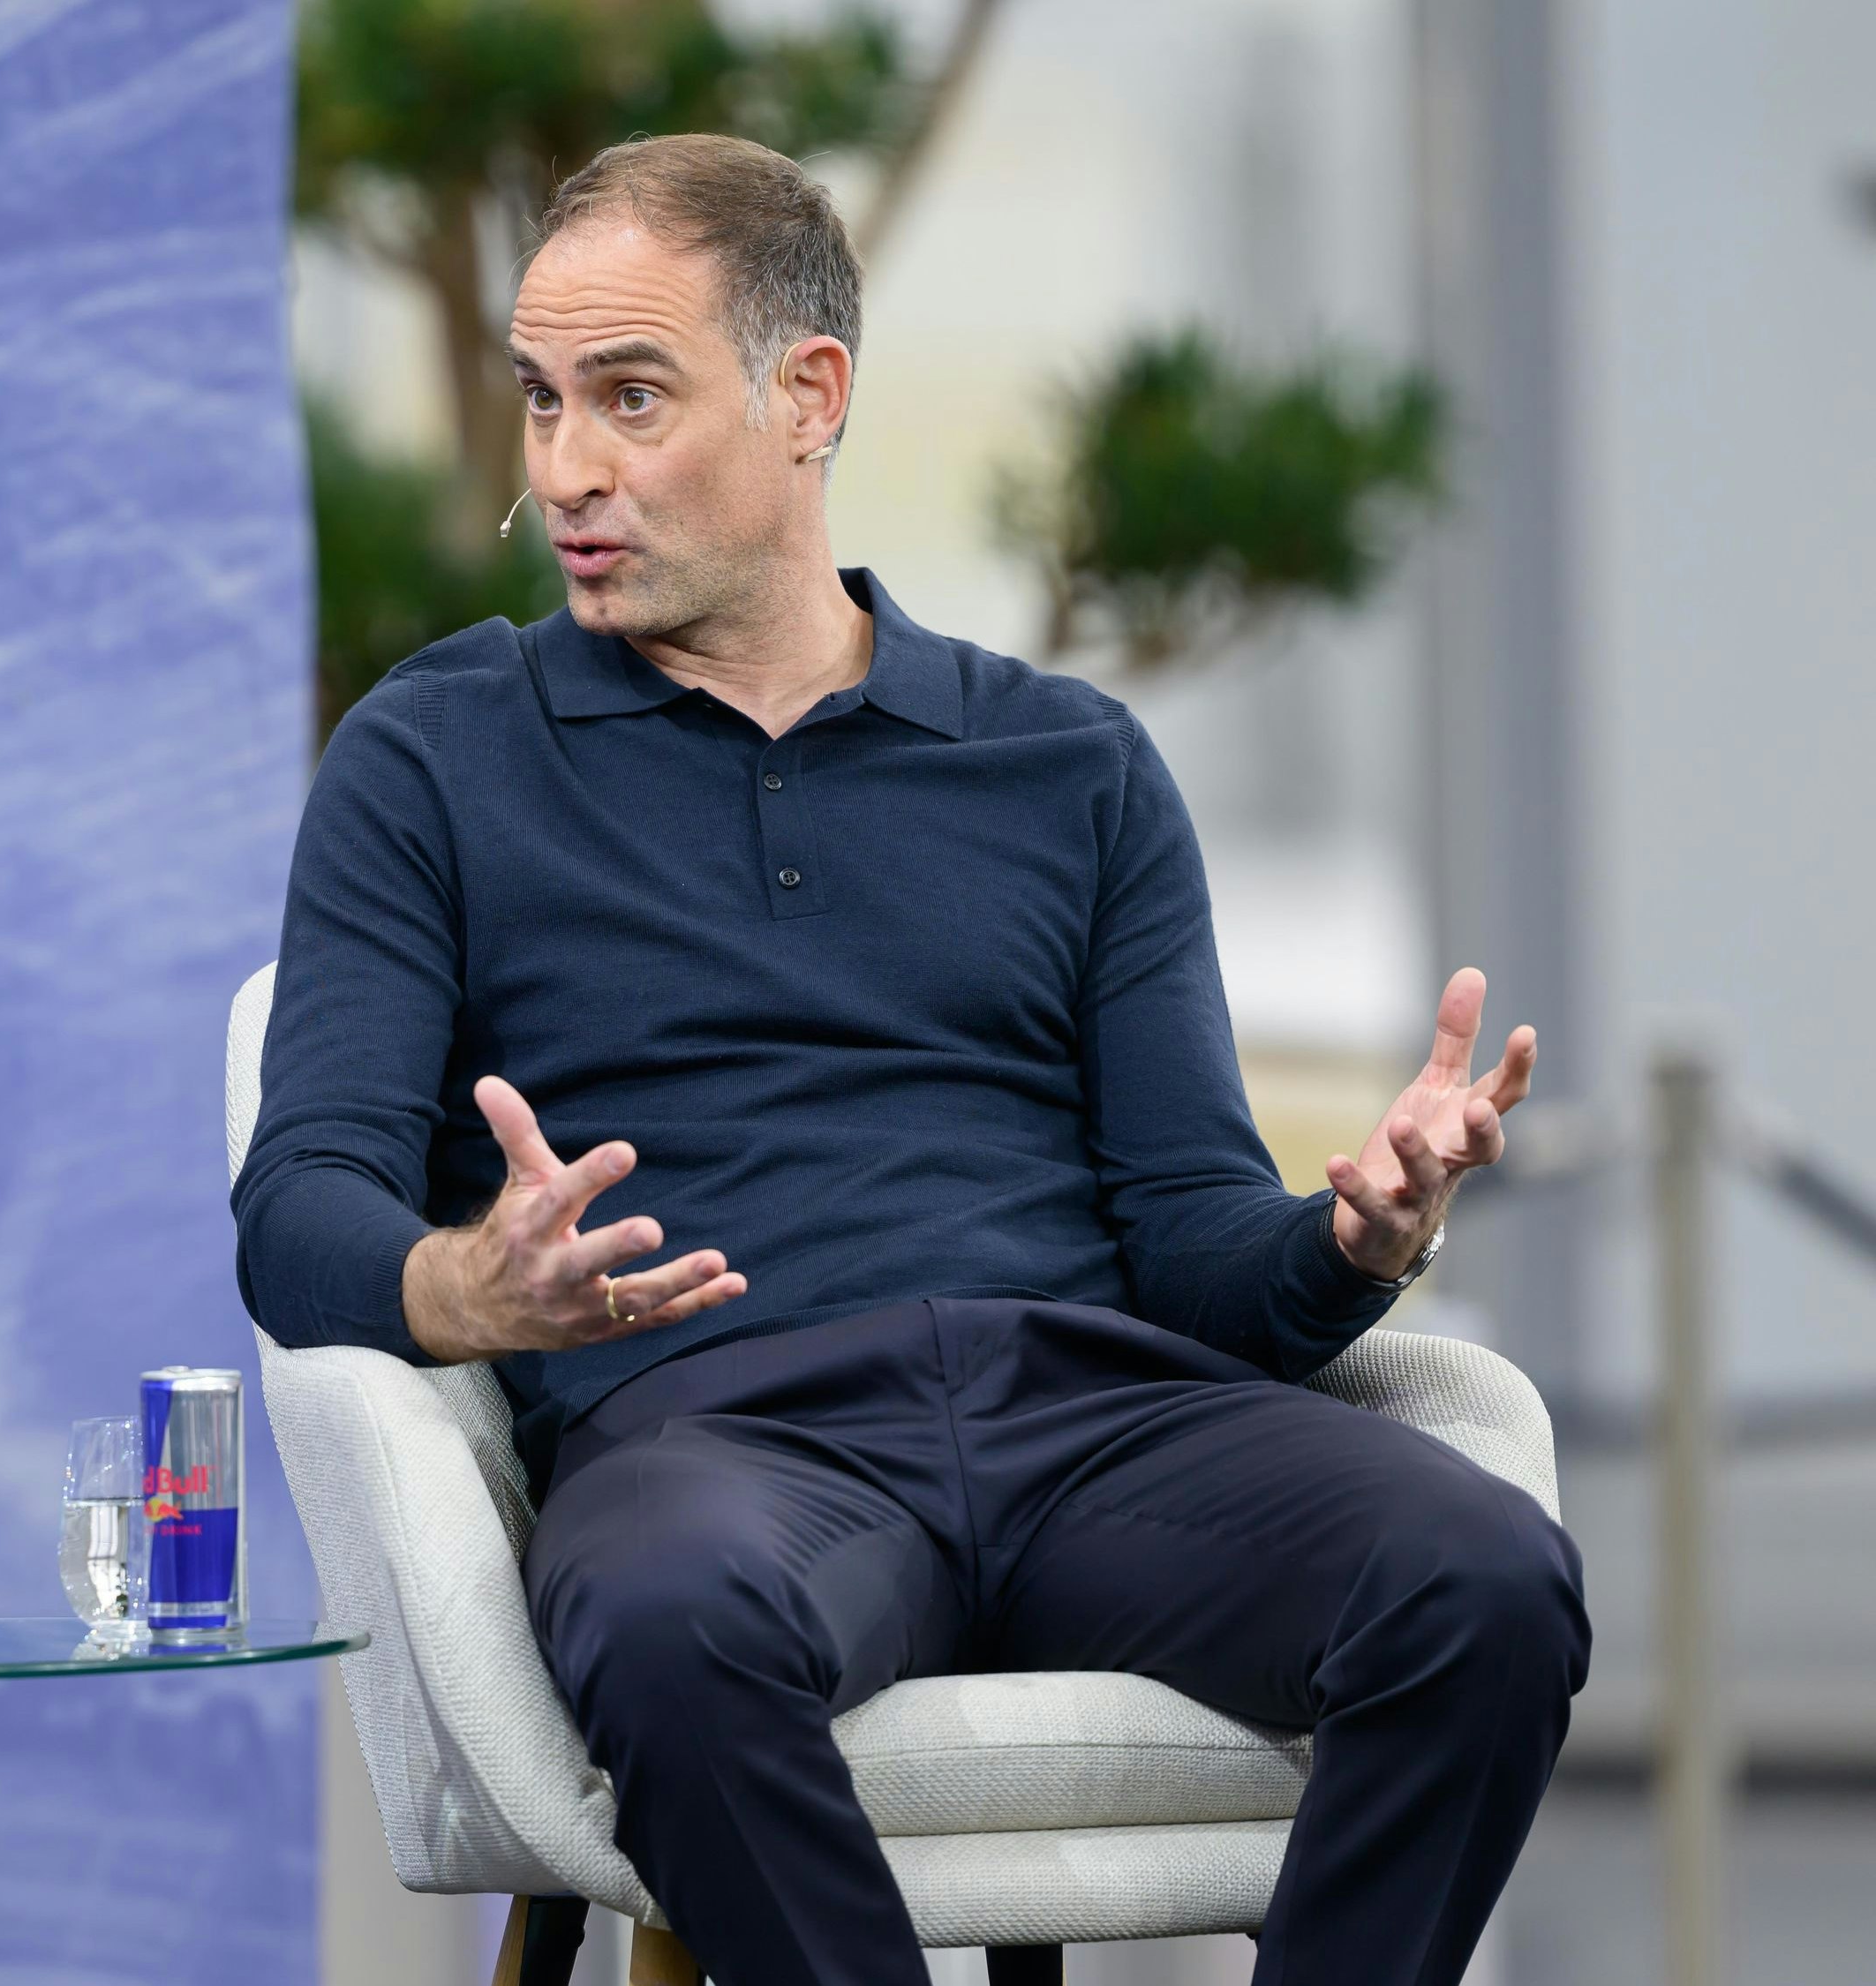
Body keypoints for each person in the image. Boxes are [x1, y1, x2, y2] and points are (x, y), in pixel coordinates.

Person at [234, 134, 1586, 1986]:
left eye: (629, 399)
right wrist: (465, 1285)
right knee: (662, 1616)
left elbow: (1197, 1254)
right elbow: (292, 1209)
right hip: (719, 1437)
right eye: (542, 401)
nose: (562, 470)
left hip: (1088, 1420)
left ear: (811, 397)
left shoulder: (1065, 763)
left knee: (1485, 1580)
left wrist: (1353, 1240)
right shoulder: (432, 756)